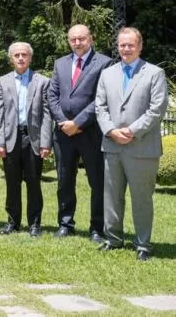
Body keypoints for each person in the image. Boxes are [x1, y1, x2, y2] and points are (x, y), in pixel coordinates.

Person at [95, 27, 167, 261]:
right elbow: (100, 107)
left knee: (141, 198)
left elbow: (157, 109)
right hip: (113, 145)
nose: (125, 49)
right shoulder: (107, 74)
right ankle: (112, 239)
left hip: (142, 147)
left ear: (140, 46)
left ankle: (143, 244)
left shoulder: (154, 73)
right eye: (122, 45)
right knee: (112, 196)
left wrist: (132, 131)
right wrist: (111, 131)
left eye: (130, 45)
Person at [47, 24, 113, 242]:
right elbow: (52, 96)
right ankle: (66, 223)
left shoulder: (104, 63)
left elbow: (101, 99)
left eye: (81, 39)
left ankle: (97, 228)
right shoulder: (60, 63)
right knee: (65, 180)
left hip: (90, 133)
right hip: (63, 133)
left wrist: (78, 122)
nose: (77, 43)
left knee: (97, 181)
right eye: (73, 39)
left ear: (91, 39)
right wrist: (64, 121)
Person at [0, 42, 52, 236]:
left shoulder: (42, 81)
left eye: (24, 55)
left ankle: (34, 224)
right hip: (11, 138)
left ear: (30, 58)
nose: (20, 58)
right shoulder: (2, 81)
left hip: (33, 138)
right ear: (11, 58)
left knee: (34, 182)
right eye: (17, 55)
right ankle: (13, 222)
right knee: (12, 182)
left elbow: (46, 114)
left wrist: (45, 143)